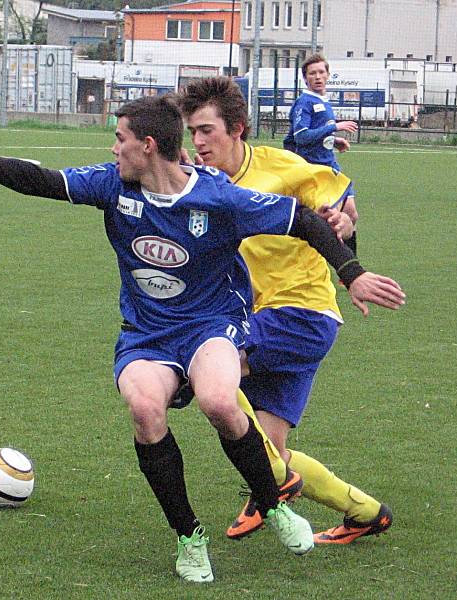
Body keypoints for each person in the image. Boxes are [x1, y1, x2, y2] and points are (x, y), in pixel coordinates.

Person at [0, 95, 404, 582]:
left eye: (120, 139)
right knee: (144, 409)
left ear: (147, 145)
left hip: (210, 324)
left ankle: (274, 505)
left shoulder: (219, 197)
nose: (113, 148)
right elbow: (47, 182)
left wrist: (351, 272)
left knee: (220, 402)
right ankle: (189, 536)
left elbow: (304, 220)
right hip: (147, 333)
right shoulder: (112, 184)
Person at [178, 75, 396, 545]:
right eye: (191, 131)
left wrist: (344, 232)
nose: (197, 141)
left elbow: (340, 209)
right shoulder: (202, 182)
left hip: (300, 312)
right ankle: (367, 513)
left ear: (236, 128)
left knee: (210, 368)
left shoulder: (284, 168)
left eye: (206, 130)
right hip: (263, 318)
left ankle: (275, 481)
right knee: (269, 450)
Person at [284, 54, 360, 255]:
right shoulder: (305, 102)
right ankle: (343, 264)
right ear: (305, 78)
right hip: (315, 171)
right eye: (312, 73)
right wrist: (334, 127)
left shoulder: (323, 101)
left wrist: (334, 141)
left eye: (321, 72)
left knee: (351, 214)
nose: (317, 76)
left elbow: (314, 133)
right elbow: (301, 136)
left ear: (328, 75)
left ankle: (351, 265)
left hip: (330, 166)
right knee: (326, 221)